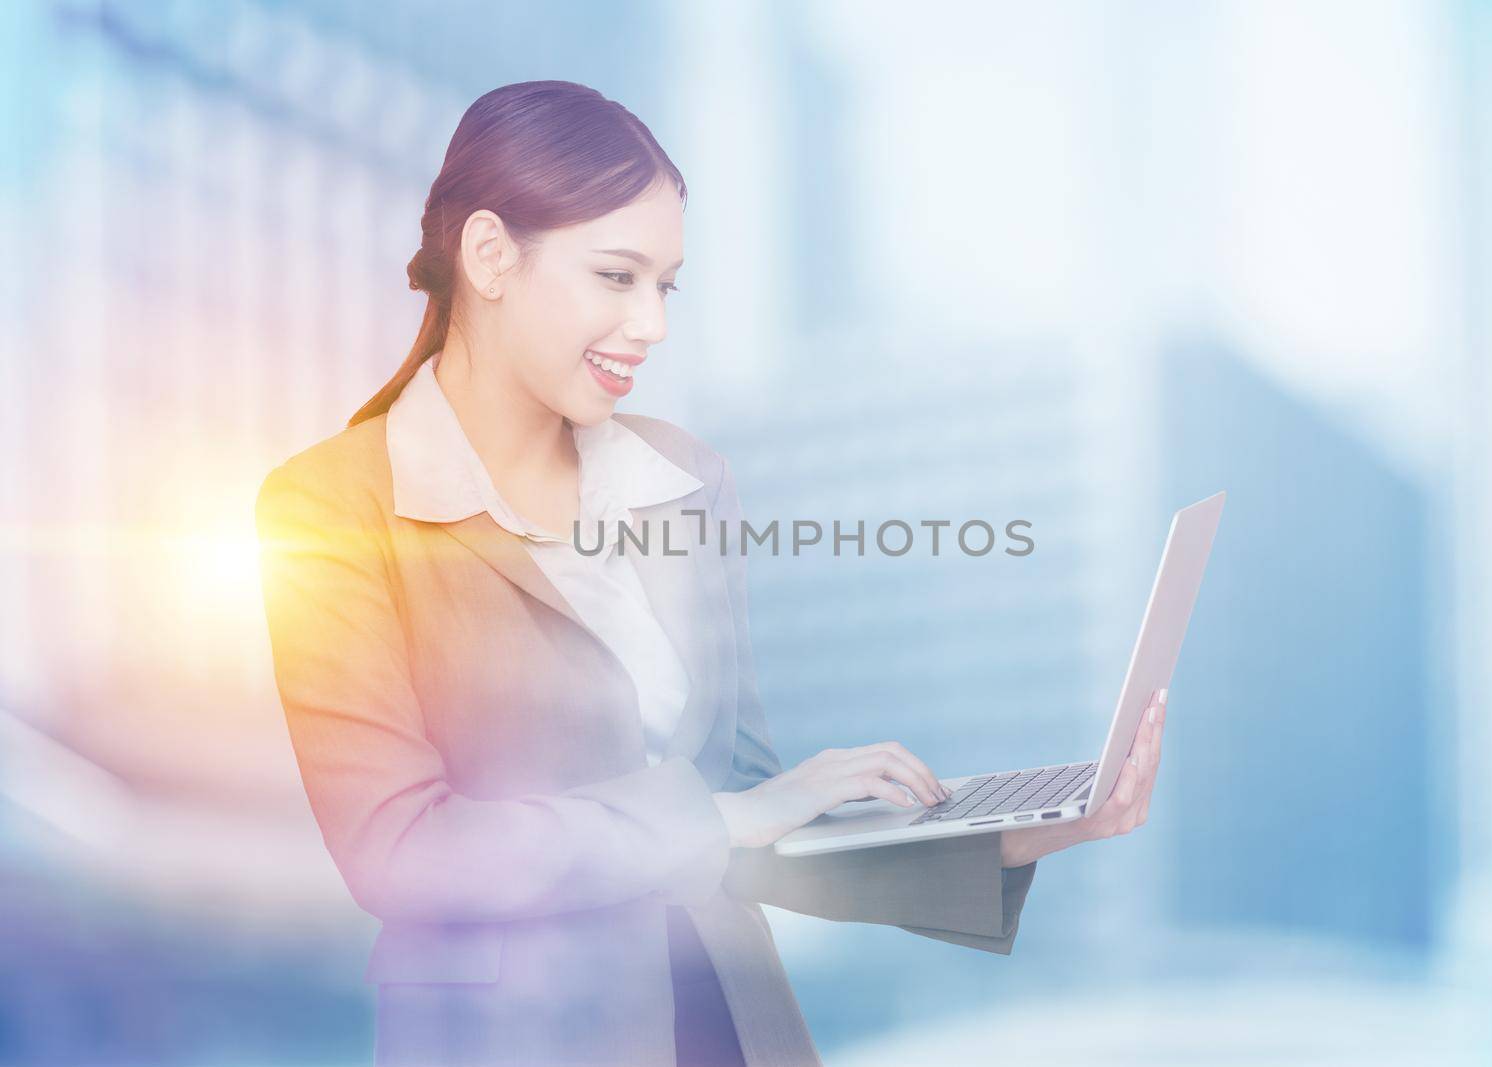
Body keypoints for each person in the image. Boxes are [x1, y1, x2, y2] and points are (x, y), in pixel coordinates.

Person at [254, 80, 1167, 1067]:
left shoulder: (684, 482)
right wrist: (716, 814)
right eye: (615, 276)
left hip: (732, 1034)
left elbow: (752, 818)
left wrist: (1013, 836)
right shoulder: (332, 505)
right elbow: (404, 854)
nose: (649, 323)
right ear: (488, 257)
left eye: (666, 285)